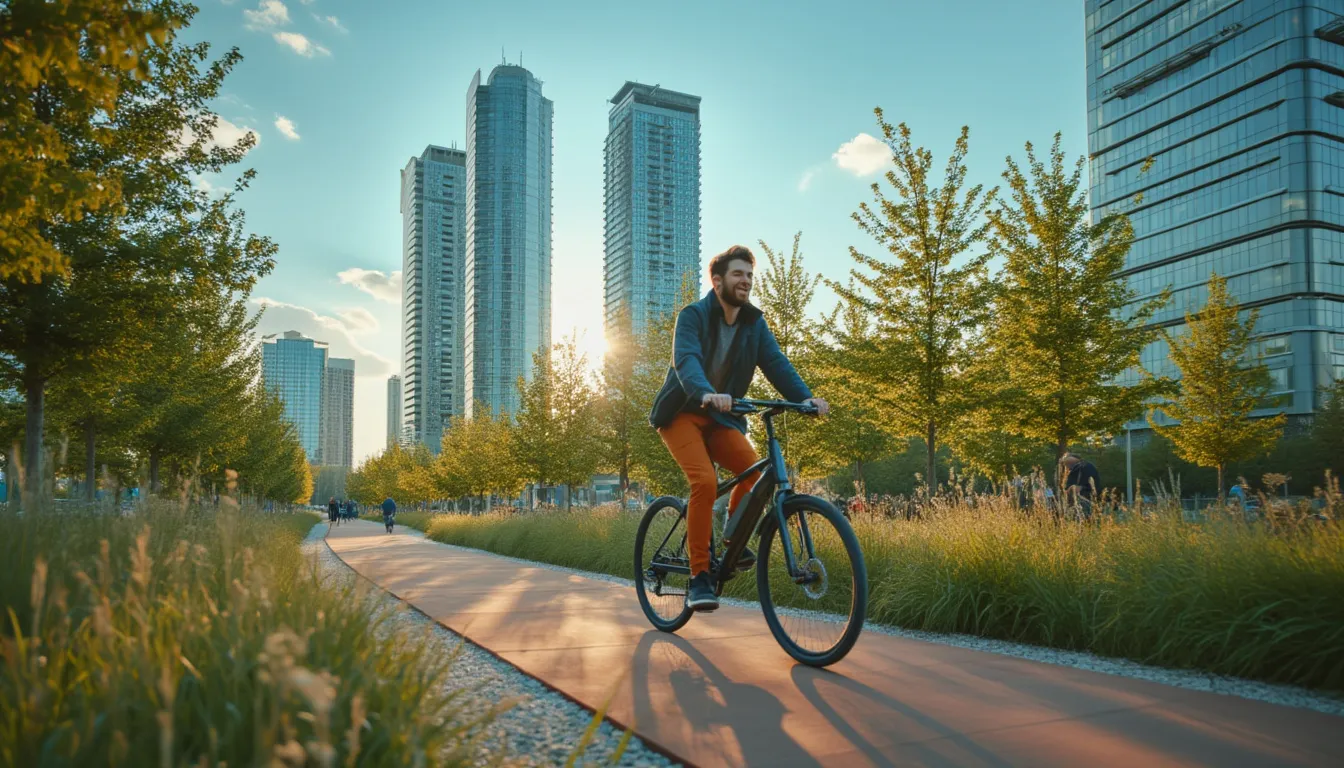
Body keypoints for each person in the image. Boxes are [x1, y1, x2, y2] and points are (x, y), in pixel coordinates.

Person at [648, 244, 828, 612]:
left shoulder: (753, 324)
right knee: (705, 482)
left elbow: (777, 364)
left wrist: (806, 398)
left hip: (720, 418)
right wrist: (707, 393)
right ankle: (699, 576)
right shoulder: (693, 316)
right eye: (737, 274)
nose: (745, 281)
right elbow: (686, 361)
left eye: (749, 275)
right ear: (717, 281)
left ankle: (732, 537)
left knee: (754, 472)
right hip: (682, 412)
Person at [1060, 453, 1100, 518]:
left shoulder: (1085, 466)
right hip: (1078, 501)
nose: (1067, 465)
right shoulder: (1074, 469)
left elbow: (1094, 486)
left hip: (1084, 500)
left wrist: (1081, 488)